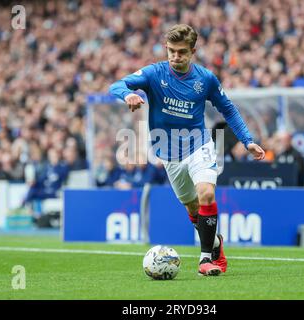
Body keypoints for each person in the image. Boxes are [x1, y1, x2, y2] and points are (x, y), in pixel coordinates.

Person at [110, 24, 265, 276]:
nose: (175, 56)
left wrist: (247, 140)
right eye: (171, 50)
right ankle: (215, 243)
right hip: (169, 153)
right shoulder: (154, 73)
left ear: (193, 51)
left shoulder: (205, 79)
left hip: (199, 144)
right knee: (193, 210)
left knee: (206, 193)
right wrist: (126, 95)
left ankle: (204, 260)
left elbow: (228, 109)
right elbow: (117, 84)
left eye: (181, 52)